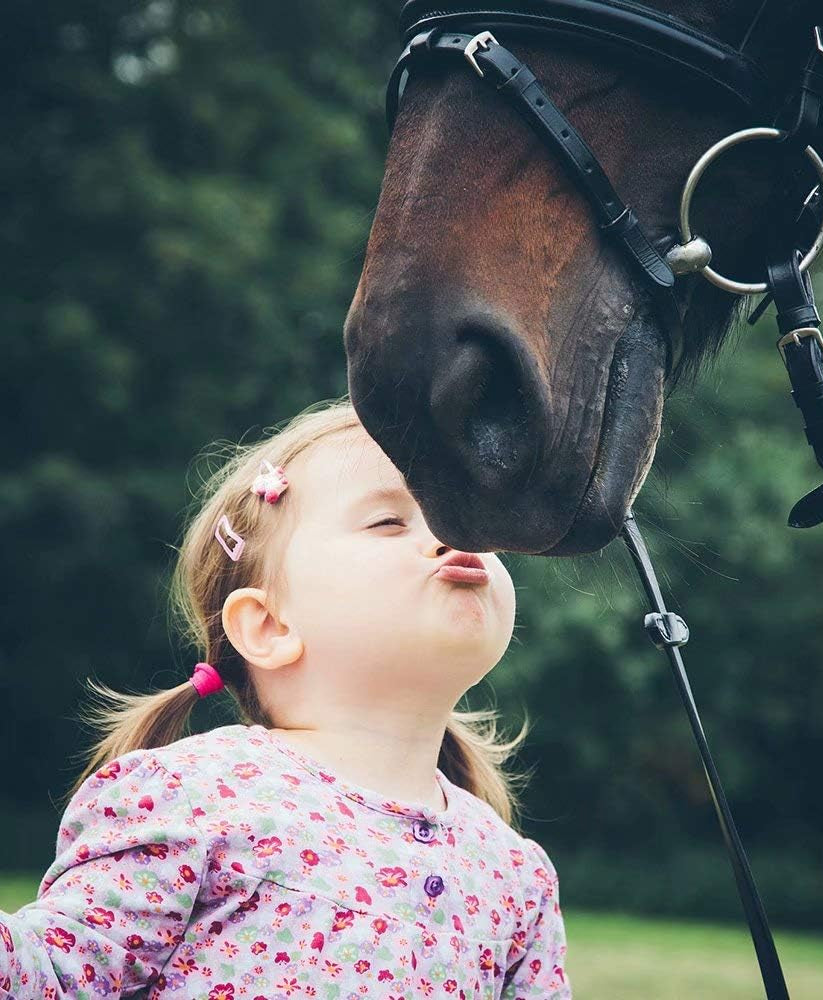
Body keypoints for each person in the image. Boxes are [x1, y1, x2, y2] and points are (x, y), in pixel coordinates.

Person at [0, 396, 571, 999]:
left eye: (464, 516)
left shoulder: (515, 873)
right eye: (388, 521)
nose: (448, 537)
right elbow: (51, 977)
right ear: (269, 626)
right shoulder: (193, 795)